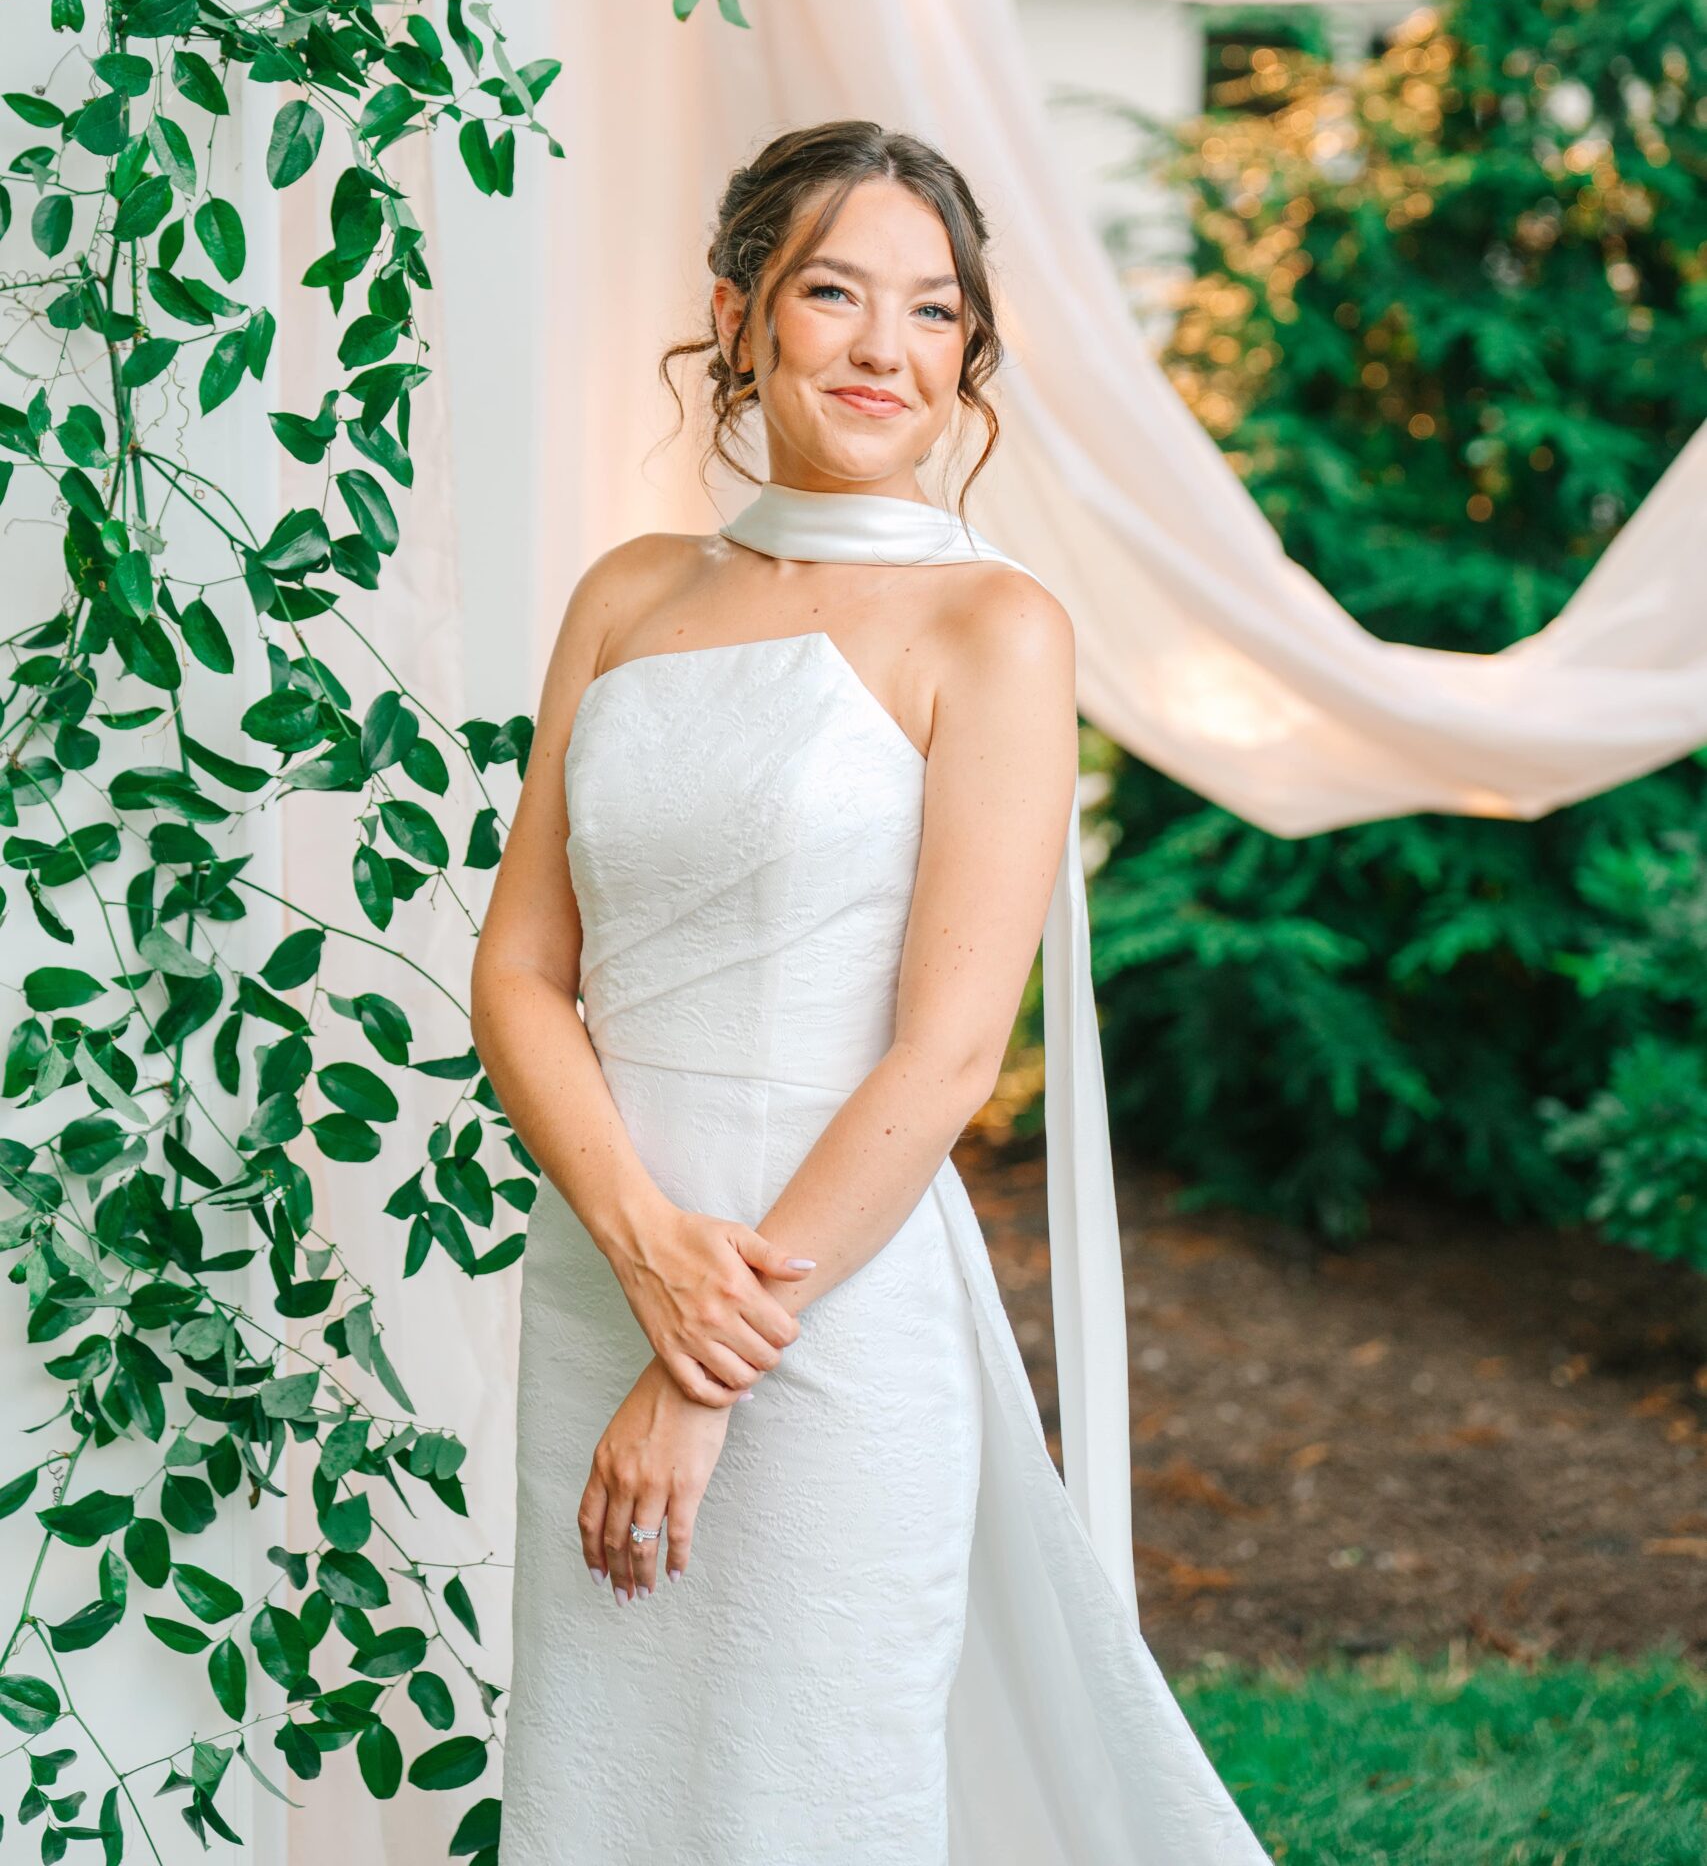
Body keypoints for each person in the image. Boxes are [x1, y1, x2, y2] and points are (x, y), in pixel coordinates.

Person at [471, 122, 1271, 1865]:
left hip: (824, 1315)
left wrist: (705, 1367)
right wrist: (641, 1249)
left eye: (932, 311)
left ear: (968, 355)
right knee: (604, 1786)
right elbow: (524, 972)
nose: (882, 348)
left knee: (810, 1791)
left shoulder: (995, 627)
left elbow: (952, 1046)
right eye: (834, 290)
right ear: (739, 315)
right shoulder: (627, 596)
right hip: (604, 1272)